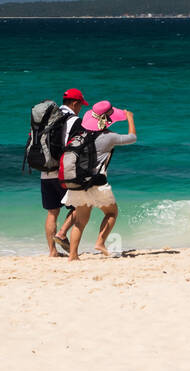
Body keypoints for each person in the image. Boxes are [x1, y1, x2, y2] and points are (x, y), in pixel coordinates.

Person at [66, 101, 136, 260]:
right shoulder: (109, 137)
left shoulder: (80, 135)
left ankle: (72, 255)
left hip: (77, 181)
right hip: (96, 182)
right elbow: (132, 138)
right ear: (107, 120)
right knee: (112, 213)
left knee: (80, 221)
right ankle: (100, 242)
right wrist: (130, 118)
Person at [42, 88, 87, 257]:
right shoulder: (75, 120)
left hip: (45, 170)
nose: (80, 108)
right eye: (80, 105)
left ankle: (52, 252)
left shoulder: (47, 117)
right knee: (81, 205)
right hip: (64, 172)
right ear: (75, 103)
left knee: (52, 212)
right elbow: (78, 147)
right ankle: (62, 233)